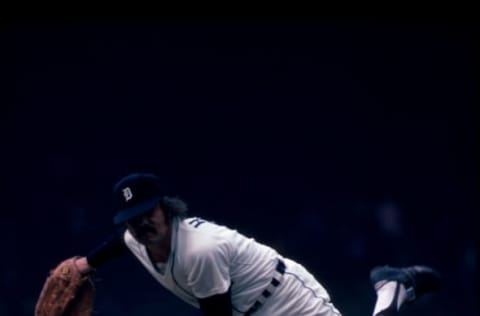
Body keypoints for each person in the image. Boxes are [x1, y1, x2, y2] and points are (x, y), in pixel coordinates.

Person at [74, 173, 441, 316]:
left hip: (283, 299)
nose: (140, 225)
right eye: (131, 219)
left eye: (146, 214)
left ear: (164, 208)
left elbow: (216, 315)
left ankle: (391, 287)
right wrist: (83, 266)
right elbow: (118, 245)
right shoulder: (135, 237)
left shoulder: (197, 250)